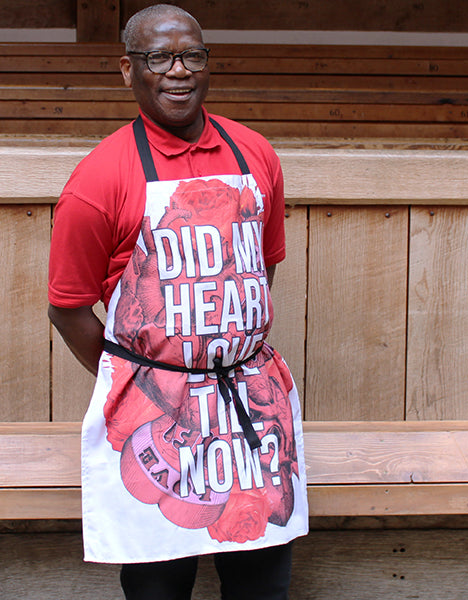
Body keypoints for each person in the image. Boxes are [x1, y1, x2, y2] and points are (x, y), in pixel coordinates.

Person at [48, 4, 308, 599]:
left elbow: (260, 265)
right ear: (127, 70)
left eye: (191, 55)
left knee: (263, 582)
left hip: (248, 409)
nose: (178, 72)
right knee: (159, 586)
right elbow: (67, 307)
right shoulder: (98, 180)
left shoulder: (255, 155)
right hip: (156, 419)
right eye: (159, 58)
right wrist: (148, 378)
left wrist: (218, 352)